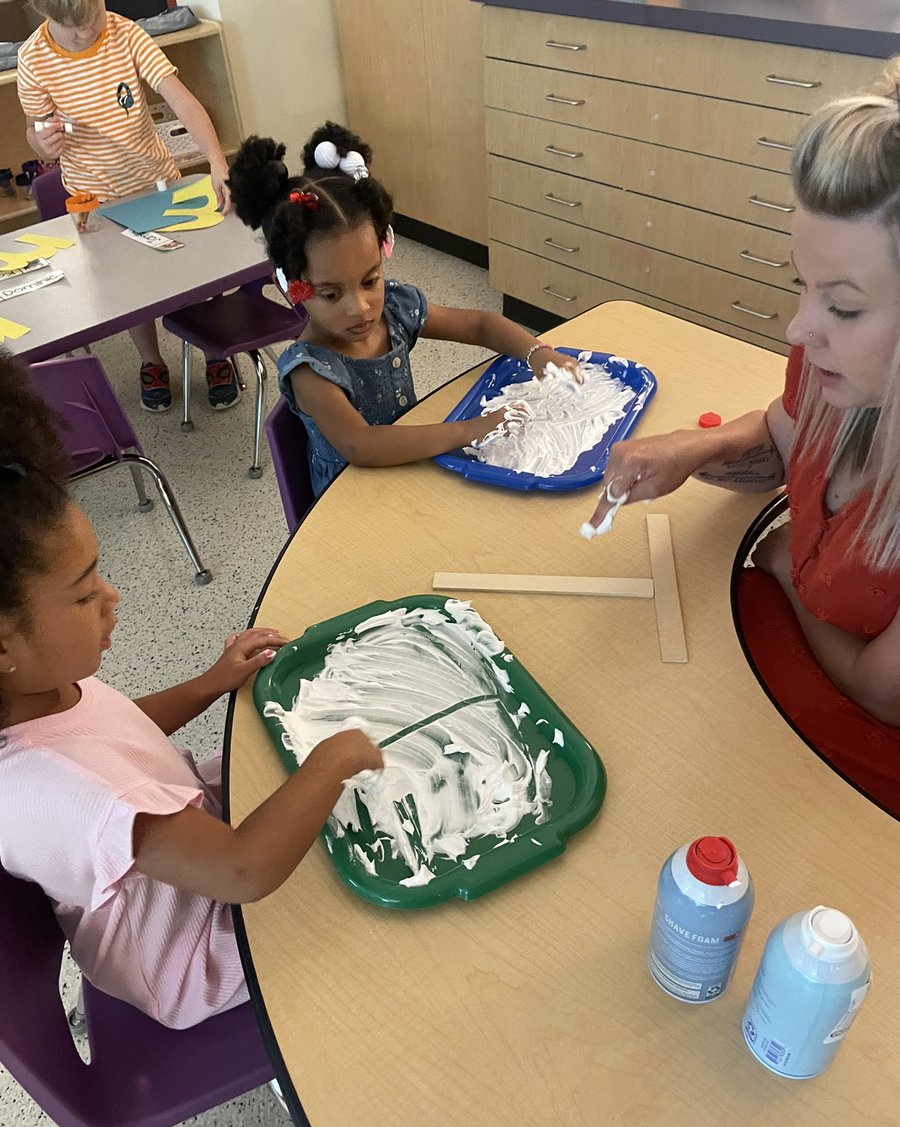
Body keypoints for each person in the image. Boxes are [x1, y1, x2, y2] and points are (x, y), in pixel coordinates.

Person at [0, 353, 382, 1028]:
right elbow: (244, 872)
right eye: (85, 594)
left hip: (191, 847)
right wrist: (335, 759)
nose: (113, 597)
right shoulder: (55, 789)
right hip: (193, 951)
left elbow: (116, 731)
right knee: (382, 902)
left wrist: (211, 683)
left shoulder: (36, 692)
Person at [583, 61, 900, 819]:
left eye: (843, 306)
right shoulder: (834, 370)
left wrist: (784, 565)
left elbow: (880, 692)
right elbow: (789, 437)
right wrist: (694, 449)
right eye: (801, 283)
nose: (799, 327)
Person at [228, 121, 584, 498]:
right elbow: (362, 446)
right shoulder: (310, 370)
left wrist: (539, 354)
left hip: (411, 471)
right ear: (290, 285)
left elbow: (478, 325)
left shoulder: (395, 309)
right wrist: (473, 429)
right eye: (331, 294)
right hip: (352, 504)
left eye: (370, 281)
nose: (360, 308)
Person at [17, 0, 238, 412]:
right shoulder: (33, 58)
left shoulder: (126, 33)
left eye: (94, 17)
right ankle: (151, 362)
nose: (88, 32)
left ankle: (215, 353)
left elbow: (181, 100)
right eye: (74, 27)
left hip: (156, 183)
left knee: (194, 273)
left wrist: (216, 159)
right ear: (45, 15)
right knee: (129, 289)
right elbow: (35, 127)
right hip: (94, 200)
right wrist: (41, 142)